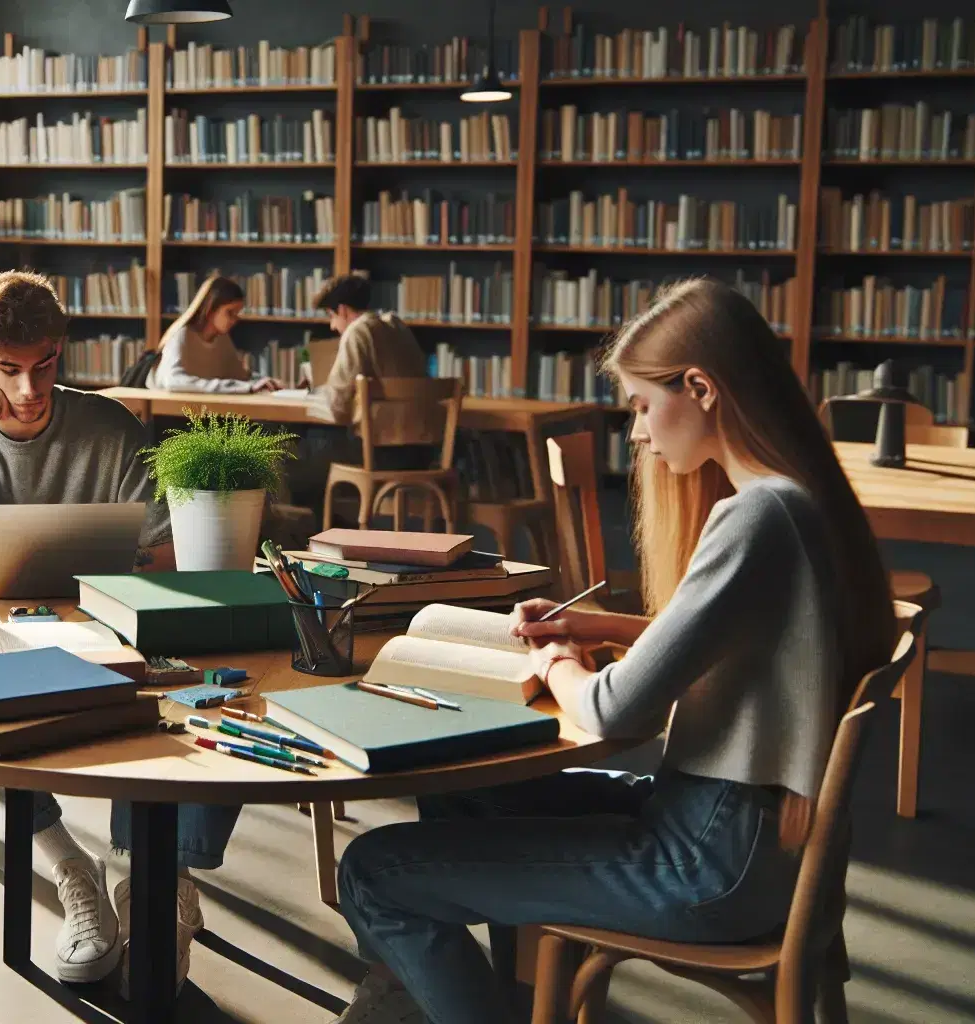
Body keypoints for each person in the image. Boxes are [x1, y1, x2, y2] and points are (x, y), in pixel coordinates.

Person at [329, 278, 896, 1023]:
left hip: (707, 859)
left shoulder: (758, 515)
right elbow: (764, 640)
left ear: (699, 387)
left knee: (373, 870)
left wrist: (555, 662)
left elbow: (614, 709)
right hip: (743, 837)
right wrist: (601, 629)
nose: (636, 432)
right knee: (458, 789)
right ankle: (496, 995)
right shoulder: (803, 500)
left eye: (639, 404)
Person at [0, 270, 239, 992]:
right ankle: (69, 864)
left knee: (211, 678)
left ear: (62, 350)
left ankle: (154, 881)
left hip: (112, 622)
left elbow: (167, 551)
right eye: (7, 371)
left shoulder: (111, 427)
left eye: (44, 366)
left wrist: (105, 578)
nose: (29, 390)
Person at [295, 274, 434, 510]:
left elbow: (337, 408)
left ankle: (317, 533)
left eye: (331, 316)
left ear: (343, 310)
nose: (332, 325)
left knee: (298, 455)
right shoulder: (396, 326)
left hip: (381, 455)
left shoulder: (358, 331)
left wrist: (313, 397)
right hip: (422, 451)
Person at [147, 276, 281, 393]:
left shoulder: (222, 338)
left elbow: (238, 375)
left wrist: (264, 381)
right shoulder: (182, 335)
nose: (235, 320)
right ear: (210, 310)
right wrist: (247, 387)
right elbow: (173, 381)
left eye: (237, 314)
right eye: (230, 313)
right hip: (168, 413)